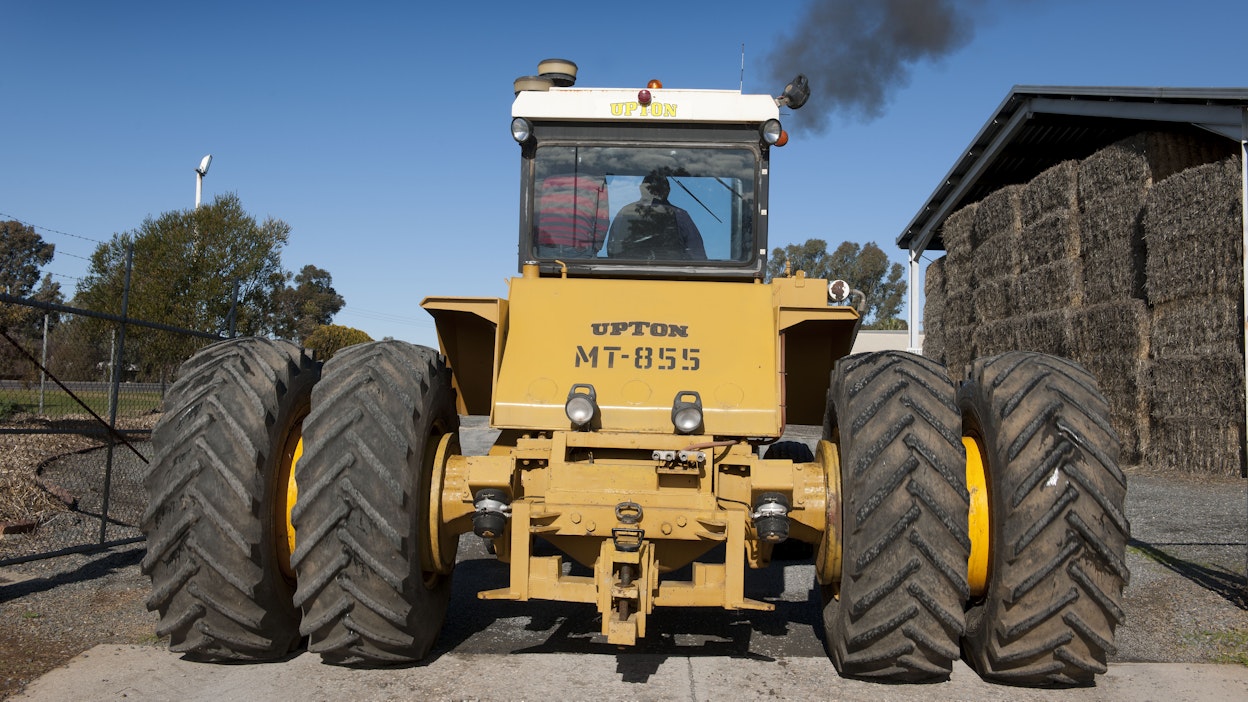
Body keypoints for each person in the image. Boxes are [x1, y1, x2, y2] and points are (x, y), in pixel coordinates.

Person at [607, 172, 706, 260]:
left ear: (641, 189)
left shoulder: (625, 212)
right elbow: (697, 255)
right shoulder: (680, 215)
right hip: (672, 272)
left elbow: (612, 250)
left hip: (628, 272)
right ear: (667, 191)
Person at [534, 174, 609, 258]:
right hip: (580, 248)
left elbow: (535, 216)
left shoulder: (544, 182)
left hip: (547, 246)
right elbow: (602, 222)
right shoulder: (596, 184)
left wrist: (536, 241)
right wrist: (594, 246)